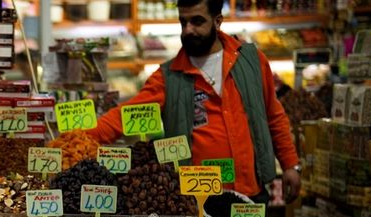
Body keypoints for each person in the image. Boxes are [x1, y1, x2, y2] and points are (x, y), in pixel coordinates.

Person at [87, 0, 302, 203]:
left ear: (218, 21)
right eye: (183, 22)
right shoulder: (168, 76)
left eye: (197, 21)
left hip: (250, 194)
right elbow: (124, 116)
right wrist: (80, 140)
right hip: (198, 198)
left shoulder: (251, 61)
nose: (188, 30)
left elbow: (273, 114)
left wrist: (290, 164)